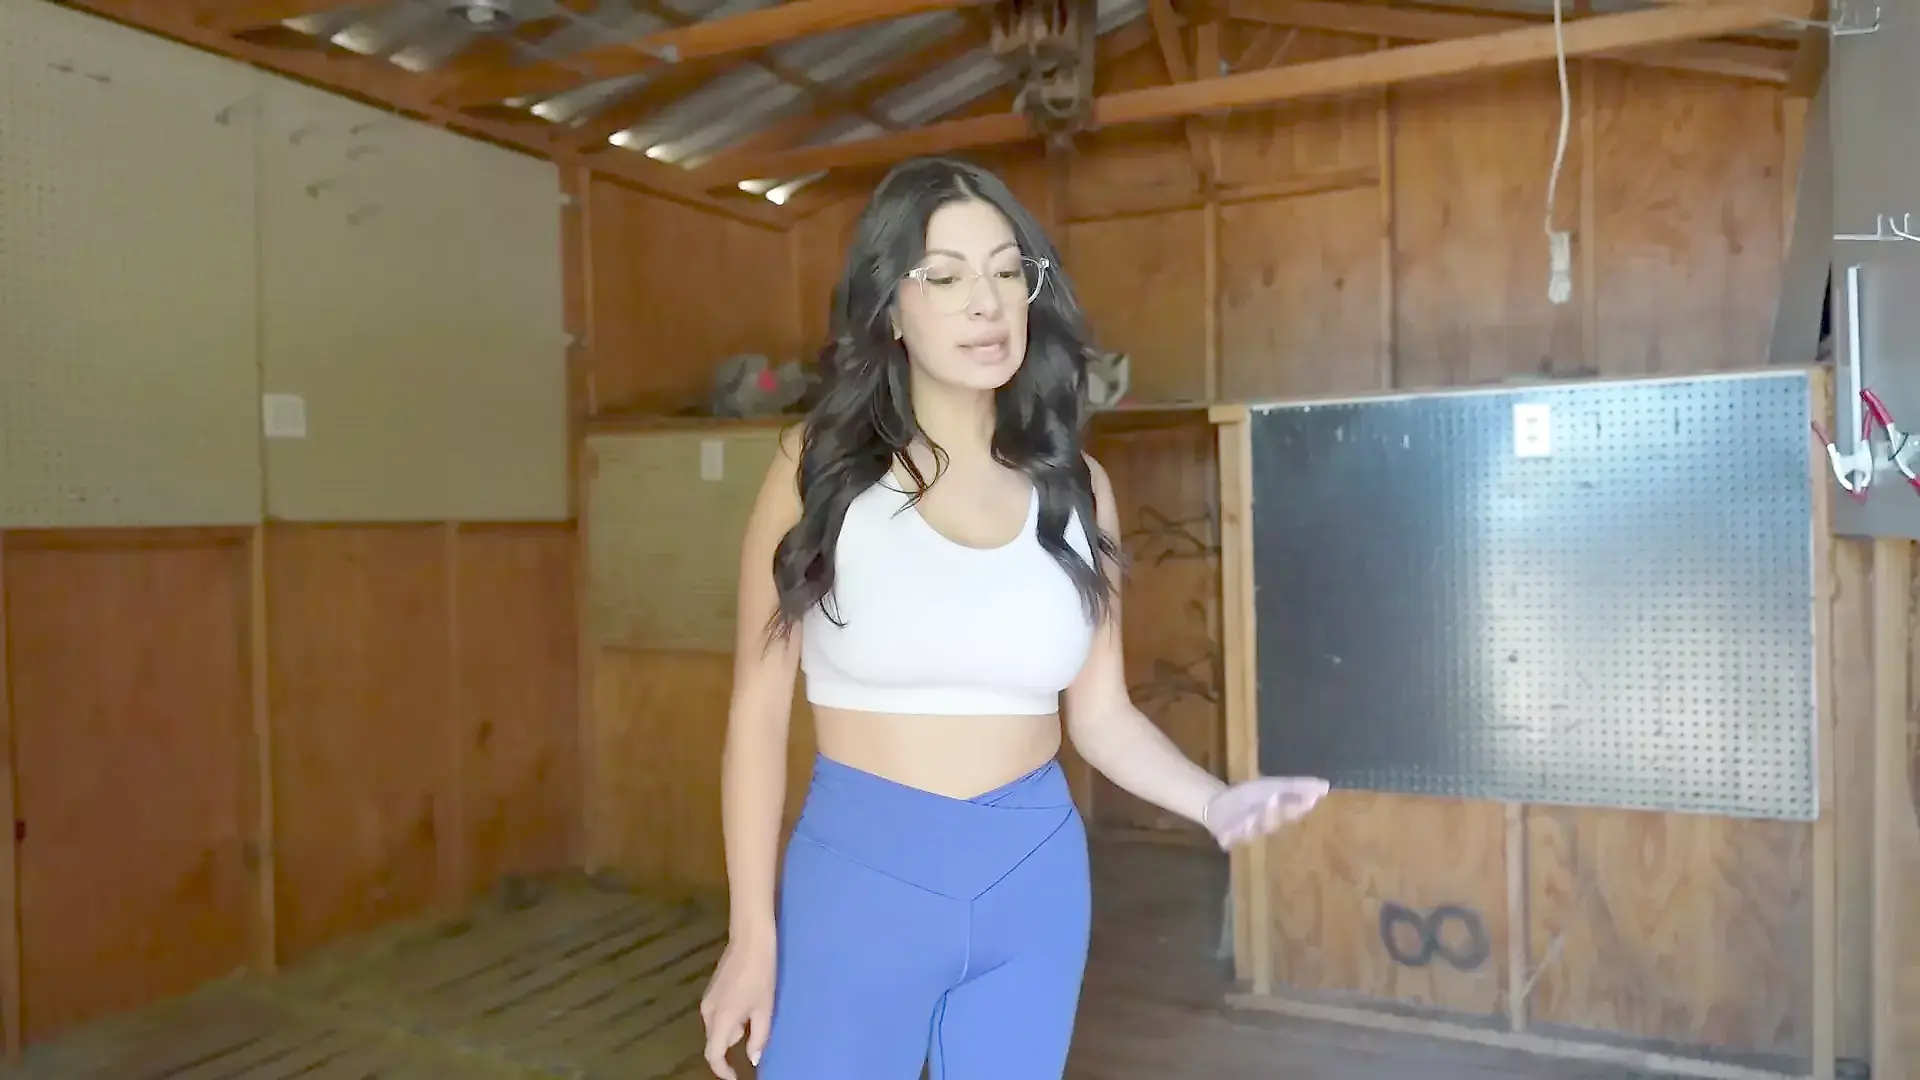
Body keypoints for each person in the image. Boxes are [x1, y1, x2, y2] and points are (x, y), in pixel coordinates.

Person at [697, 155, 1331, 1080]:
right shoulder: (819, 473)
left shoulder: (1077, 489)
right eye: (946, 277)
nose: (987, 303)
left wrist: (1213, 801)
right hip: (860, 877)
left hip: (1034, 879)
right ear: (889, 308)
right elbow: (757, 714)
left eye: (1007, 271)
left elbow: (1101, 715)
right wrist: (751, 934)